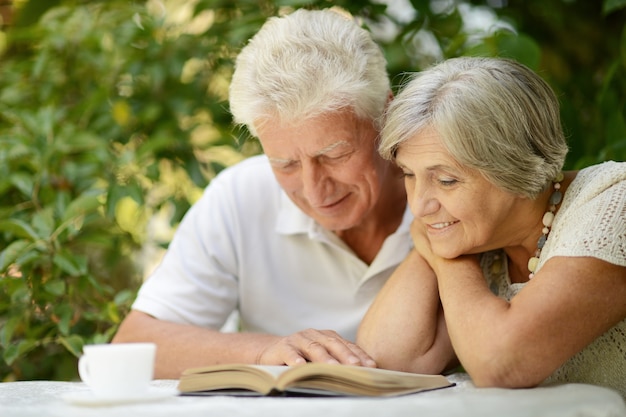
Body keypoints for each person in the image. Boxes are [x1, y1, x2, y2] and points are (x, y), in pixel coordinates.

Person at [112, 8, 410, 378]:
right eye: (285, 163)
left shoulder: (448, 193)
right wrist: (266, 350)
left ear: (386, 115)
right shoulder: (241, 196)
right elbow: (133, 346)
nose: (315, 191)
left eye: (334, 154)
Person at [357, 56, 626, 396]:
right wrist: (449, 248)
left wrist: (444, 258)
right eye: (409, 175)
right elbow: (385, 359)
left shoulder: (613, 202)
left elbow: (502, 362)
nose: (420, 206)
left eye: (446, 180)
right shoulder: (483, 237)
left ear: (513, 165)